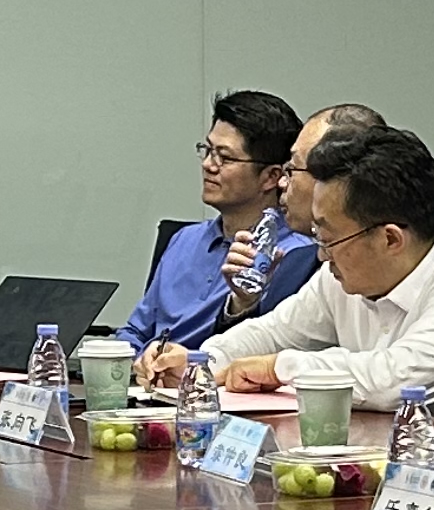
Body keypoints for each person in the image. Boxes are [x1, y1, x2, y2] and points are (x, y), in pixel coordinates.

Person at [137, 123, 434, 417]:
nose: (321, 254)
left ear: (389, 239)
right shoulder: (341, 277)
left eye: (327, 237)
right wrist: (198, 365)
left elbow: (394, 382)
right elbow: (271, 332)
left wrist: (279, 367)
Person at [122, 89, 318, 351]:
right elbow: (135, 332)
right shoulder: (184, 239)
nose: (208, 164)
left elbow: (265, 350)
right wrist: (134, 361)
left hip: (215, 370)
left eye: (224, 157)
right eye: (207, 150)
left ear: (272, 177)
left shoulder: (297, 257)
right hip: (148, 373)